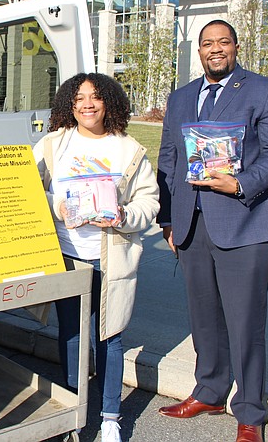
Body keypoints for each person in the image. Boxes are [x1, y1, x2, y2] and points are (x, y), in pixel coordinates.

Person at [155, 20, 268, 442]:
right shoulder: (181, 97)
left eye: (223, 42)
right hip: (191, 225)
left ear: (235, 47)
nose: (215, 49)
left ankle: (251, 412)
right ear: (198, 51)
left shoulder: (263, 89)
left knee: (245, 322)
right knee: (203, 319)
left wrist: (240, 184)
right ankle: (210, 391)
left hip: (244, 221)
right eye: (207, 44)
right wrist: (168, 219)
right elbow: (168, 161)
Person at [33, 73, 160, 442]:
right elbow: (26, 189)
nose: (87, 105)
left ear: (110, 103)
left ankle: (109, 417)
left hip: (110, 259)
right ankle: (73, 409)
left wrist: (124, 217)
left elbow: (148, 202)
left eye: (95, 97)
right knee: (71, 334)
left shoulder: (128, 148)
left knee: (110, 337)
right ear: (68, 105)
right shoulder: (53, 144)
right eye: (79, 98)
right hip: (65, 256)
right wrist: (57, 206)